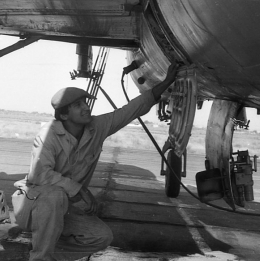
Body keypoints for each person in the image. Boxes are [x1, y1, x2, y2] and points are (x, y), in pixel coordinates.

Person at [12, 61, 180, 261]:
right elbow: (40, 175)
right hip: (32, 206)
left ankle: (47, 255)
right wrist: (79, 189)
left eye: (85, 103)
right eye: (78, 105)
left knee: (101, 237)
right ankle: (40, 256)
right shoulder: (47, 135)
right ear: (64, 115)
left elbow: (131, 110)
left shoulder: (96, 127)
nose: (86, 108)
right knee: (55, 195)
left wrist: (166, 82)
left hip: (64, 208)